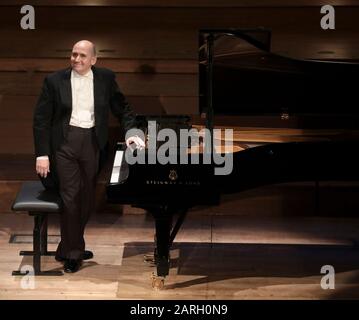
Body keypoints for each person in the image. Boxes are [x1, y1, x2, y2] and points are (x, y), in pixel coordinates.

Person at [33, 40, 145, 273]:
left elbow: (123, 108)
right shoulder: (54, 81)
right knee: (71, 196)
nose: (76, 59)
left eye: (83, 56)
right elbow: (41, 120)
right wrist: (42, 154)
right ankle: (74, 254)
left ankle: (67, 246)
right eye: (74, 54)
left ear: (94, 59)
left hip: (93, 142)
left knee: (86, 198)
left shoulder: (105, 78)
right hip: (64, 144)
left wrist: (132, 133)